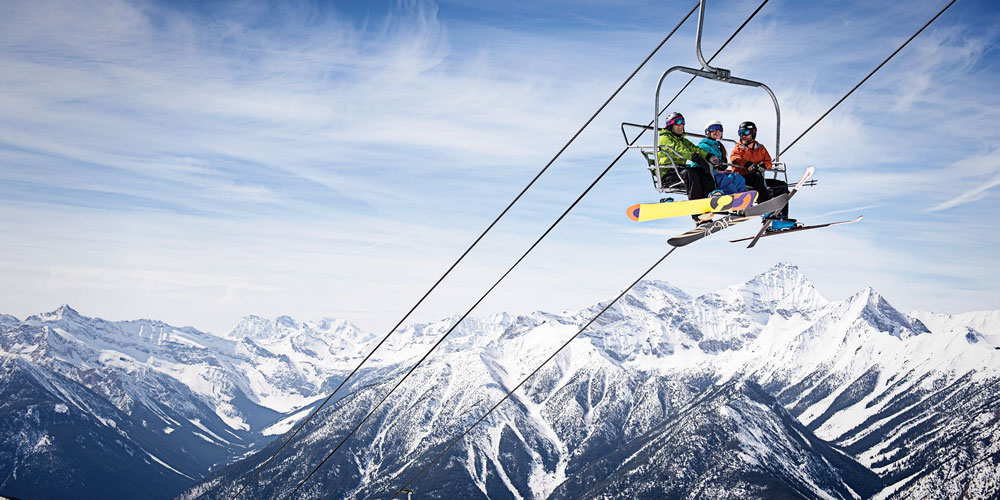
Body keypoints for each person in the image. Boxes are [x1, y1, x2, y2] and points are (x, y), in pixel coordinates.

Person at [729, 121, 795, 229]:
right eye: (740, 133)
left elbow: (768, 161)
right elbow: (734, 159)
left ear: (753, 133)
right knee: (757, 177)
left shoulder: (760, 148)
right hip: (743, 179)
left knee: (781, 186)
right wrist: (746, 164)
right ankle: (767, 211)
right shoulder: (739, 148)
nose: (743, 136)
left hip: (759, 181)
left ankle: (781, 219)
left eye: (746, 132)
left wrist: (763, 165)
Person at [657, 112, 719, 224]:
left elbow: (694, 148)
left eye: (683, 123)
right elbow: (678, 150)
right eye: (678, 123)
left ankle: (706, 205)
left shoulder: (682, 139)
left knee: (703, 172)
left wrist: (708, 156)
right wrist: (695, 158)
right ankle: (697, 214)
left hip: (679, 170)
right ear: (670, 125)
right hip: (668, 173)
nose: (681, 126)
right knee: (689, 174)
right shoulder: (665, 139)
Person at [697, 120, 745, 195]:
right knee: (723, 179)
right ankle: (728, 197)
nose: (717, 131)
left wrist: (723, 167)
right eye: (713, 129)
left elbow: (720, 168)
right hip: (706, 174)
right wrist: (716, 166)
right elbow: (701, 162)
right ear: (707, 131)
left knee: (737, 177)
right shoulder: (703, 146)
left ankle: (741, 198)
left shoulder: (719, 147)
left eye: (720, 128)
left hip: (716, 173)